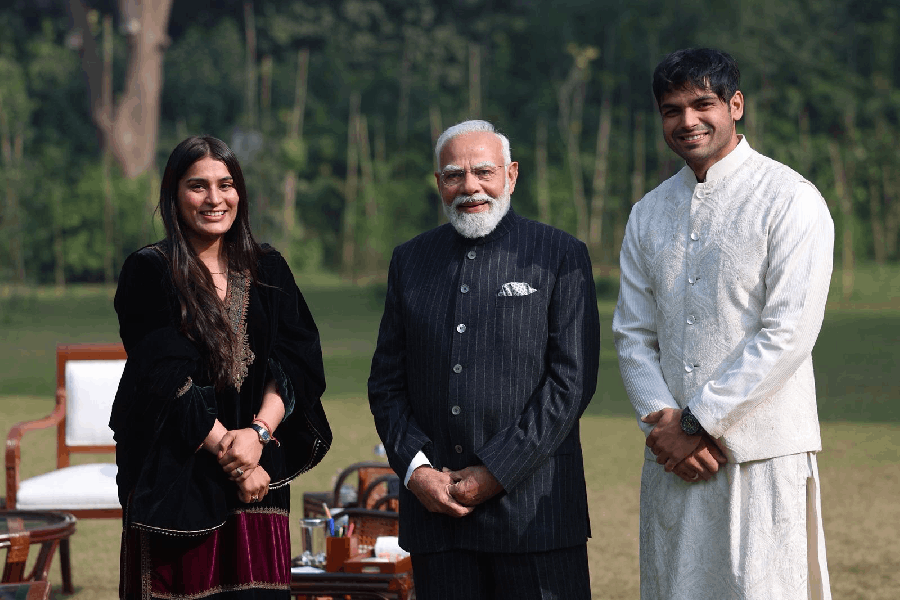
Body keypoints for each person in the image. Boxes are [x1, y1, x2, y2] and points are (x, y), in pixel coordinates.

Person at [612, 48, 833, 600]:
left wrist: (698, 424)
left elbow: (789, 332)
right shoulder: (649, 212)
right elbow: (633, 336)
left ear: (735, 105)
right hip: (675, 461)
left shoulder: (791, 199)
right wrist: (665, 423)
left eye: (702, 103)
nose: (687, 121)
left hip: (762, 452)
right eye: (671, 109)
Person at [368, 120, 600, 599]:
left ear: (511, 176)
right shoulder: (410, 260)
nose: (469, 186)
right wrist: (417, 472)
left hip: (537, 519)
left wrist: (495, 472)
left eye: (483, 172)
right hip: (438, 521)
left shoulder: (559, 255)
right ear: (438, 184)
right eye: (454, 175)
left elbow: (571, 383)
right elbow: (386, 384)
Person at [111, 135, 332, 599]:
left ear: (240, 192)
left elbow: (298, 360)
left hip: (260, 477)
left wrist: (257, 436)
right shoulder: (148, 271)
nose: (215, 199)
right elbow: (164, 379)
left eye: (226, 184)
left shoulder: (269, 268)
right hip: (176, 475)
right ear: (173, 195)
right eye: (198, 186)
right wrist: (235, 459)